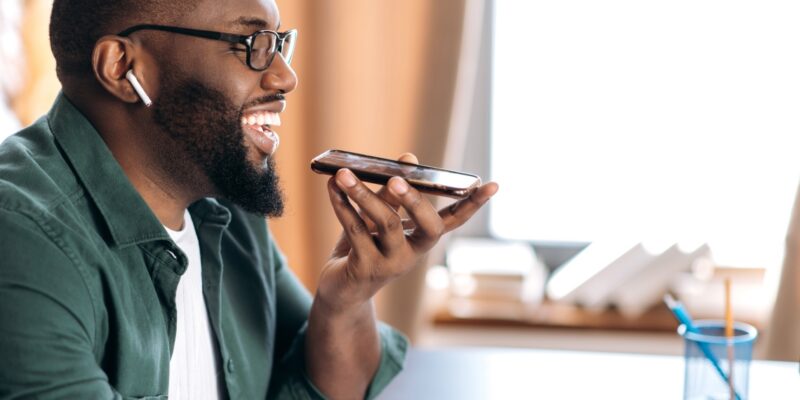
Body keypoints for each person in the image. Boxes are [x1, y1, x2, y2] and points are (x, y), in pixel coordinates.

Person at [0, 0, 498, 399]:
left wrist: (346, 300)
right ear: (124, 67)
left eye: (281, 43)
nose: (285, 77)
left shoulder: (224, 210)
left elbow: (330, 386)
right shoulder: (21, 238)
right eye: (252, 44)